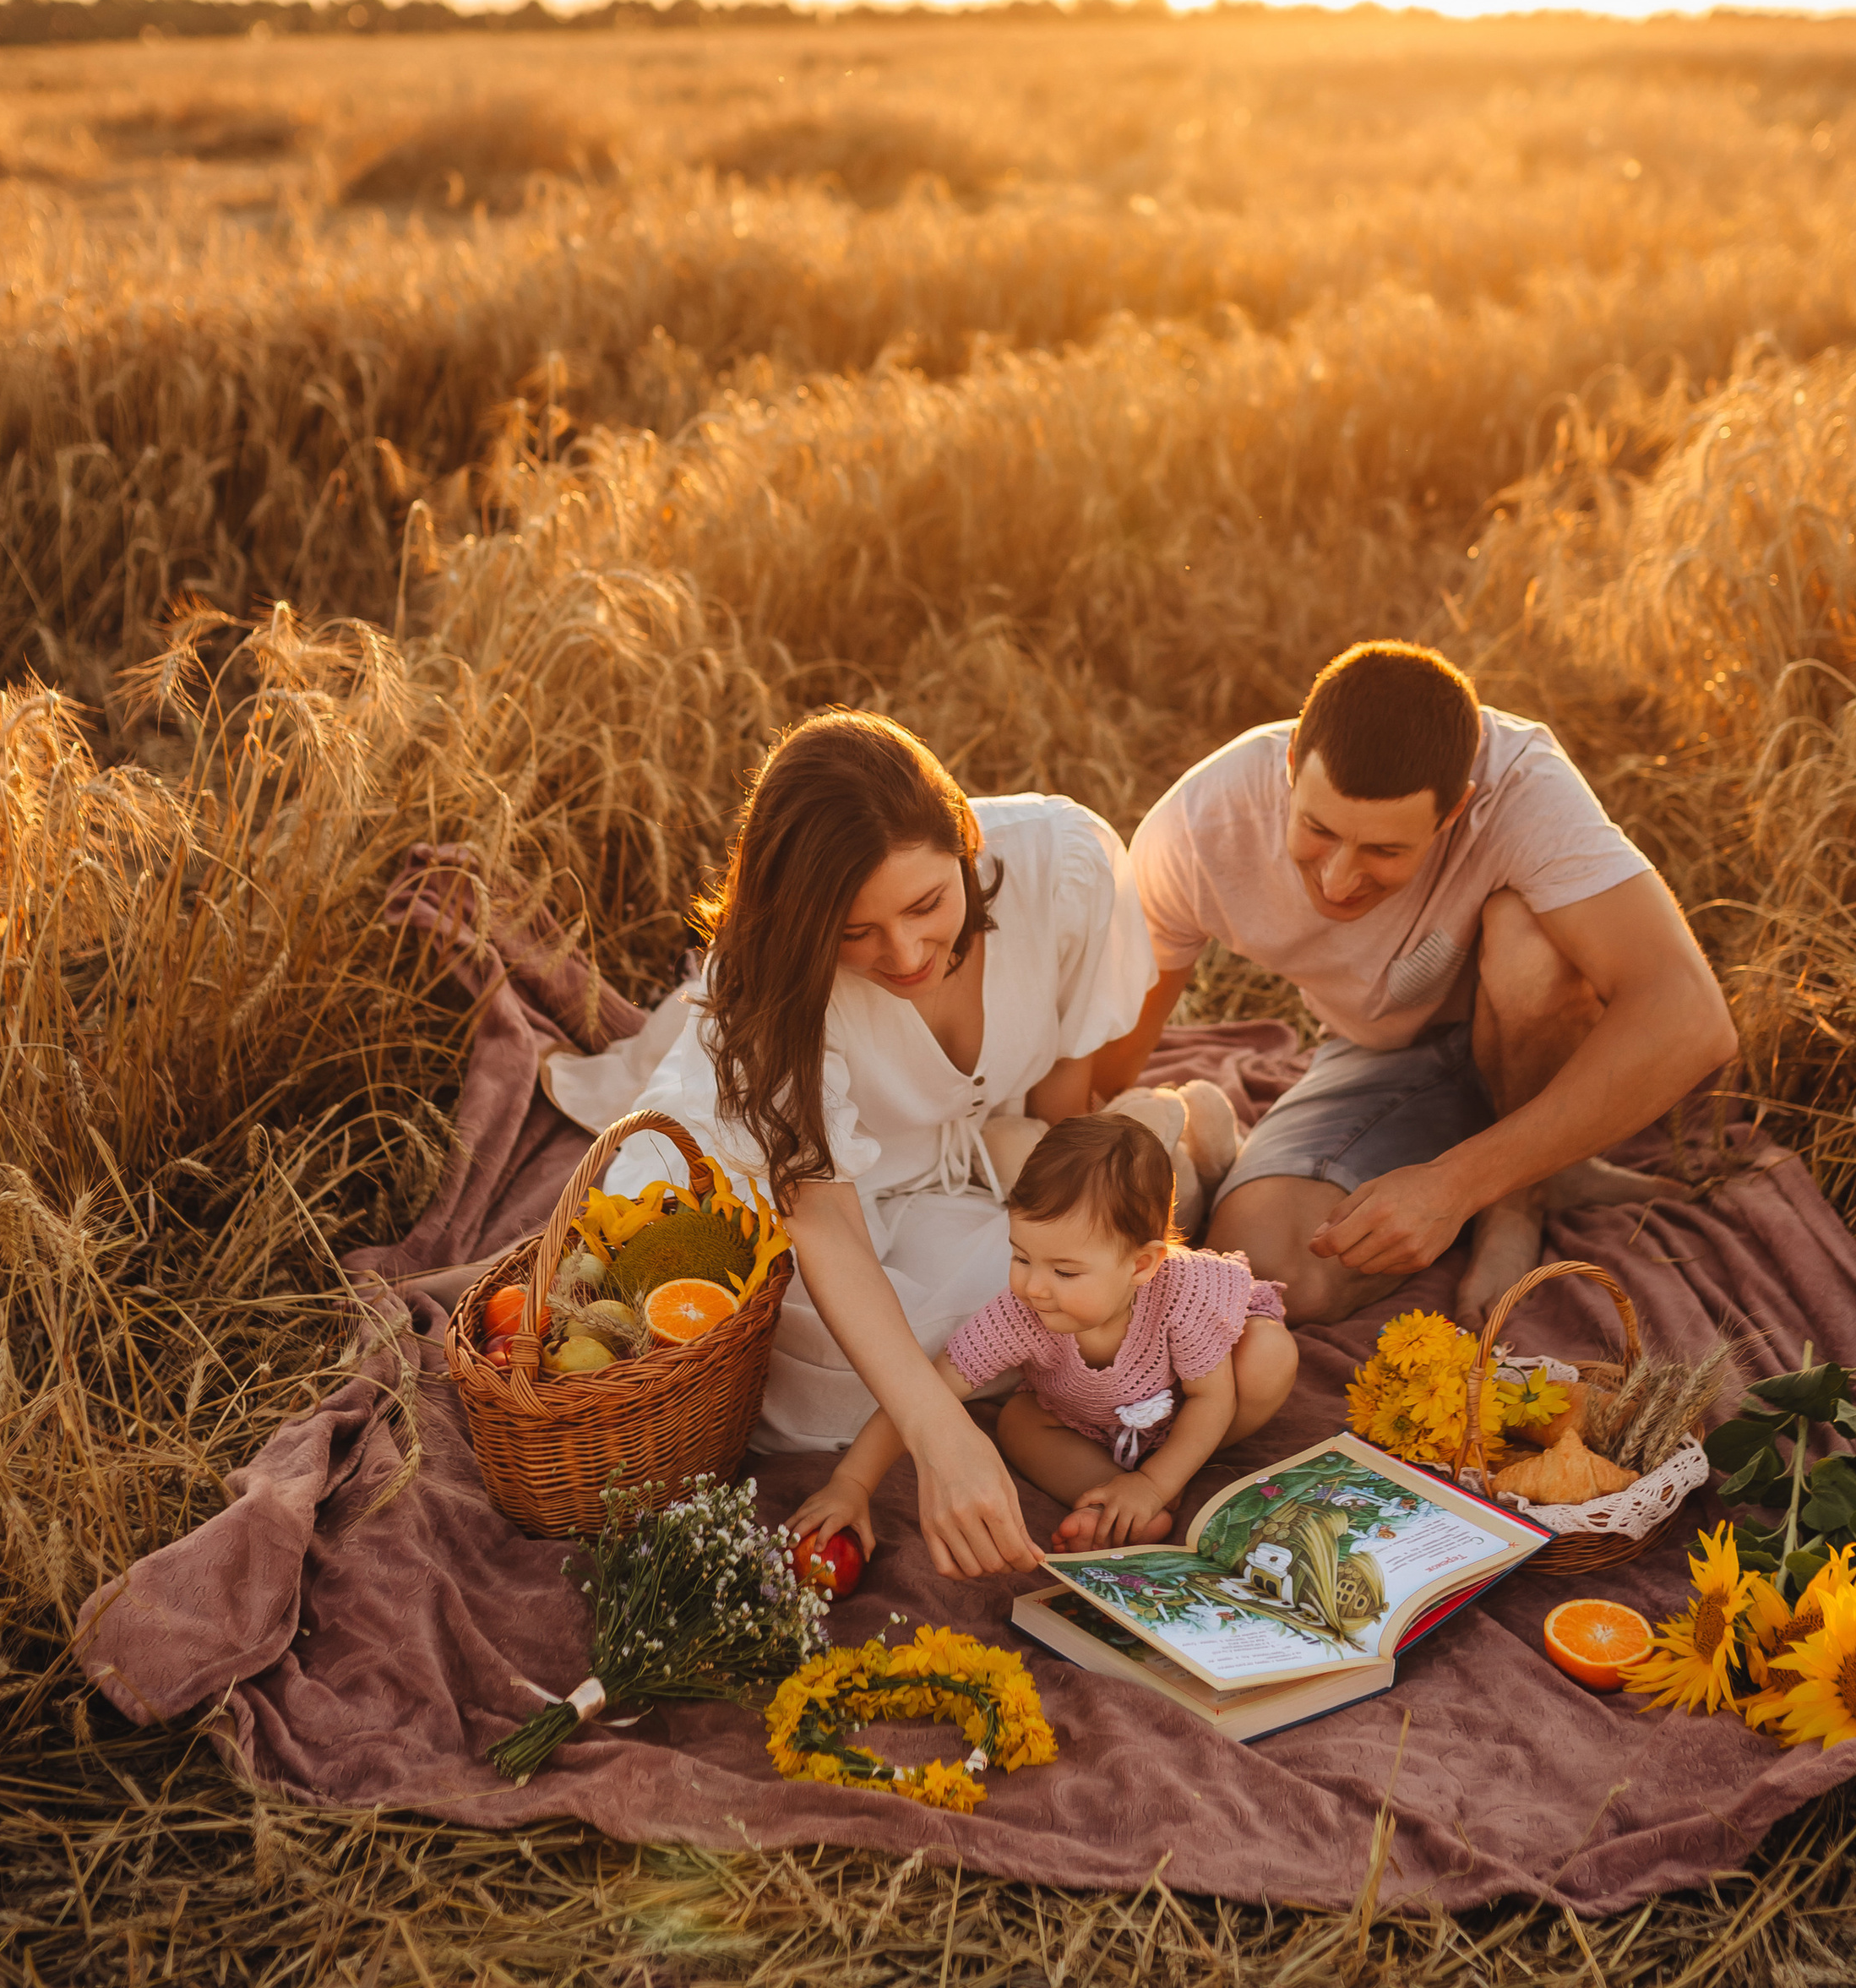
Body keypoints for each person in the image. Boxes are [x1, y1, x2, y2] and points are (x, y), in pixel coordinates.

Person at [543, 711, 1157, 1579]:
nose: (904, 954)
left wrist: (1072, 1214)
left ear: (964, 839)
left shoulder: (1063, 867)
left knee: (1083, 1284)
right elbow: (820, 1212)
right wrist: (938, 1435)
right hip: (823, 1187)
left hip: (971, 1167)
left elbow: (1065, 1089)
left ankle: (1171, 1129)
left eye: (926, 904)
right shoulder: (771, 971)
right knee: (804, 1361)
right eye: (853, 933)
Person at [1095, 640, 1737, 1324]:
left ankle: (1519, 1201)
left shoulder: (1523, 789)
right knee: (1271, 1269)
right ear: (1290, 766)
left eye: (1385, 850)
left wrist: (1458, 1186)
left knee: (1527, 939)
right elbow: (1115, 1045)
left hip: (1542, 1041)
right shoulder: (1200, 824)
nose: (1339, 878)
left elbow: (1691, 1016)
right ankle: (1536, 1164)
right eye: (1319, 829)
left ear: (1454, 810)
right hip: (1379, 1055)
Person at [800, 1113, 1296, 1556]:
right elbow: (928, 1391)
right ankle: (1114, 1502)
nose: (1034, 1287)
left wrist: (1153, 1480)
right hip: (1090, 1424)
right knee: (1017, 1423)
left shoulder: (1183, 1296)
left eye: (1065, 1271)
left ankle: (1160, 1481)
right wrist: (852, 1482)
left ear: (1140, 1264)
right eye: (1021, 1257)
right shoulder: (1019, 1315)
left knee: (1268, 1355)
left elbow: (1212, 1399)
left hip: (1197, 1408)